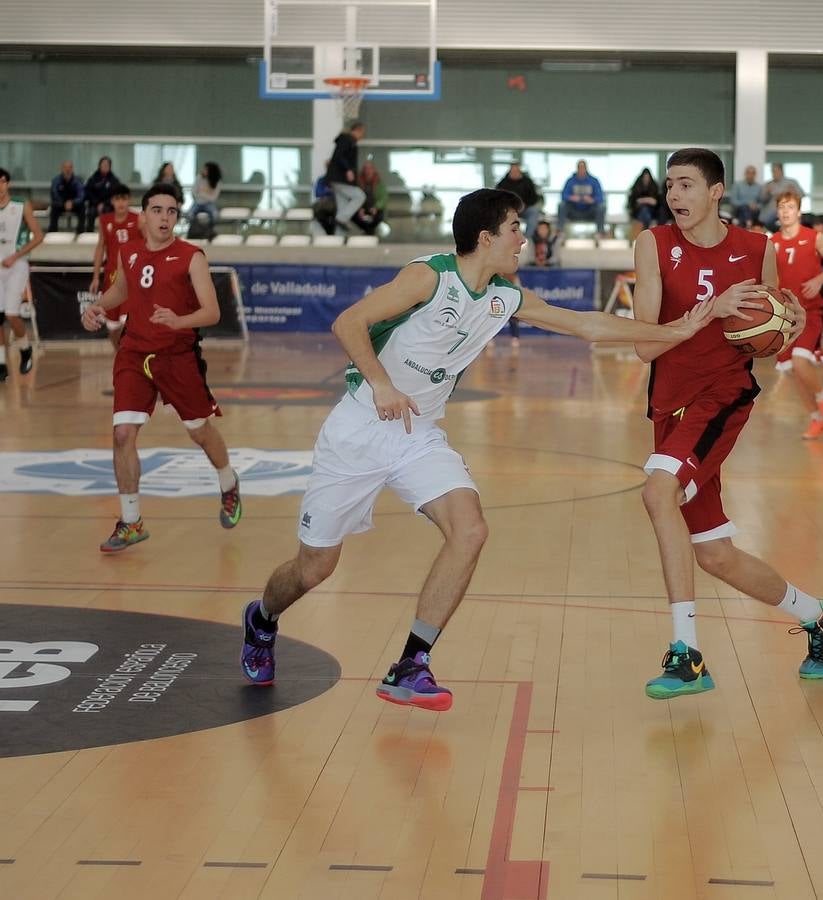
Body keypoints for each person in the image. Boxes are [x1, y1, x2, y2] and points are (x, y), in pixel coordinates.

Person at [235, 188, 716, 706]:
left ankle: (410, 664)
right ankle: (262, 619)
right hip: (358, 427)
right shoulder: (429, 277)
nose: (524, 237)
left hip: (418, 434)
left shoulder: (503, 295)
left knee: (470, 529)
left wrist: (676, 329)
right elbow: (349, 322)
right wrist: (379, 381)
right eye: (515, 227)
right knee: (315, 567)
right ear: (486, 237)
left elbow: (586, 325)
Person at [631, 147, 823, 701]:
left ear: (716, 191)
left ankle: (687, 655)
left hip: (720, 398)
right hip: (668, 405)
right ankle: (819, 618)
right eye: (670, 186)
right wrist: (712, 309)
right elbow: (641, 343)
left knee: (658, 493)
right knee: (715, 554)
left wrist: (786, 325)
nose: (674, 196)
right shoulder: (653, 245)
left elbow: (772, 345)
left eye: (686, 185)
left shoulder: (756, 248)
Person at [78, 182, 242, 551]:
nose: (164, 217)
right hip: (134, 352)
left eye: (171, 211)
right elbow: (122, 292)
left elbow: (212, 312)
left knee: (199, 431)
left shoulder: (191, 256)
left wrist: (178, 321)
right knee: (122, 434)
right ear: (143, 214)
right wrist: (98, 306)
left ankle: (228, 482)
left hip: (177, 356)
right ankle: (131, 521)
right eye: (157, 210)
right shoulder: (128, 251)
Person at [771, 189, 823, 439]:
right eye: (781, 207)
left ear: (799, 211)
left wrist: (819, 279)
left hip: (808, 313)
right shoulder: (773, 243)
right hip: (784, 317)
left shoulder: (814, 237)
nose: (785, 211)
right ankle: (815, 418)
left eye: (789, 207)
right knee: (792, 371)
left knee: (801, 362)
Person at [0, 167, 45, 380]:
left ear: (7, 183)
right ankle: (1, 363)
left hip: (16, 265)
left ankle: (25, 348)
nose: (0, 187)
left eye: (2, 182)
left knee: (11, 313)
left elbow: (38, 236)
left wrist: (16, 255)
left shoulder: (20, 205)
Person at [89, 183, 140, 345]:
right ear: (112, 201)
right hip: (112, 277)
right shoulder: (105, 220)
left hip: (133, 276)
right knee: (112, 326)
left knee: (129, 322)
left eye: (124, 199)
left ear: (129, 200)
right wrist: (96, 276)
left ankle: (131, 360)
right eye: (117, 199)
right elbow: (100, 248)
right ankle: (120, 356)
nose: (121, 203)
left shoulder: (138, 219)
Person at [326, 120, 367, 232]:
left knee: (342, 208)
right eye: (362, 133)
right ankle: (341, 219)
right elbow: (340, 157)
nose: (362, 136)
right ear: (358, 130)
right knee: (360, 196)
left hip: (338, 179)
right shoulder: (346, 140)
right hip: (340, 179)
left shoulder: (348, 141)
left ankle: (339, 238)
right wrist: (348, 170)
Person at [558, 159, 606, 236]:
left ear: (586, 168)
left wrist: (592, 200)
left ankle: (600, 232)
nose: (581, 169)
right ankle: (560, 231)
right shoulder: (570, 181)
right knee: (562, 205)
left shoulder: (594, 181)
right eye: (579, 167)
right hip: (574, 211)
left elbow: (600, 197)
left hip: (589, 211)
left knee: (601, 207)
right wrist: (571, 198)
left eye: (583, 167)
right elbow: (563, 195)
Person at [494, 162, 541, 239]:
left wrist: (525, 205)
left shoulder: (527, 182)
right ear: (510, 171)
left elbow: (534, 198)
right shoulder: (503, 183)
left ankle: (527, 238)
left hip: (525, 208)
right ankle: (507, 238)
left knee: (534, 211)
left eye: (517, 171)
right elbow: (497, 198)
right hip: (508, 210)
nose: (515, 173)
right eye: (513, 171)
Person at [757, 163, 803, 231]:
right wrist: (767, 193)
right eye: (773, 171)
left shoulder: (791, 182)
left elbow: (801, 195)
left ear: (782, 171)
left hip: (787, 209)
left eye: (776, 171)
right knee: (766, 221)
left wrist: (793, 192)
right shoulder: (768, 184)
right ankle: (779, 233)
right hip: (771, 211)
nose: (774, 173)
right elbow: (761, 200)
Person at [84, 156, 120, 232]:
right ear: (99, 165)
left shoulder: (114, 180)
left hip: (109, 205)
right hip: (94, 204)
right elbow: (88, 192)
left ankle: (109, 234)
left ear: (110, 167)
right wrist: (97, 203)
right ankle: (89, 233)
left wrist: (104, 203)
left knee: (108, 213)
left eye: (107, 165)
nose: (105, 167)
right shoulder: (93, 178)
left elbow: (116, 194)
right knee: (91, 212)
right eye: (103, 165)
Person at [49, 160, 85, 233]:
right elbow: (54, 194)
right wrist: (64, 203)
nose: (68, 169)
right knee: (54, 208)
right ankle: (53, 232)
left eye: (70, 167)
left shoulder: (78, 180)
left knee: (82, 208)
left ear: (72, 169)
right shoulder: (56, 180)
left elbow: (81, 195)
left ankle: (80, 232)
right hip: (61, 204)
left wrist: (72, 202)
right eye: (66, 167)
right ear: (62, 169)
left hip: (74, 204)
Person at [353, 160, 387, 237]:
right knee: (355, 216)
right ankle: (368, 234)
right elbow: (354, 197)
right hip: (362, 209)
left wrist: (376, 207)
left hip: (374, 209)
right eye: (366, 169)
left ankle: (369, 234)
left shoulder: (379, 183)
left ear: (374, 170)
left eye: (370, 168)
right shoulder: (358, 183)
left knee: (378, 216)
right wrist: (359, 208)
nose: (368, 171)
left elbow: (383, 198)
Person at [188, 162, 223, 234]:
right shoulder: (199, 178)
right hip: (197, 202)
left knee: (215, 214)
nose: (203, 170)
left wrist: (201, 193)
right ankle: (195, 231)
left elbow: (213, 198)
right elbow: (194, 192)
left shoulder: (217, 182)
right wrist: (206, 194)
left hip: (209, 204)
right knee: (190, 214)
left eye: (205, 169)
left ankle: (210, 231)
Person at [628, 167, 662, 232]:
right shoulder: (637, 187)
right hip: (638, 211)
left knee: (646, 211)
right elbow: (633, 201)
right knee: (644, 211)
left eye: (647, 177)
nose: (646, 179)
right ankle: (646, 230)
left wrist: (643, 200)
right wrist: (647, 200)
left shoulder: (654, 186)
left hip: (652, 211)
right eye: (645, 177)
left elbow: (656, 202)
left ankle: (643, 231)